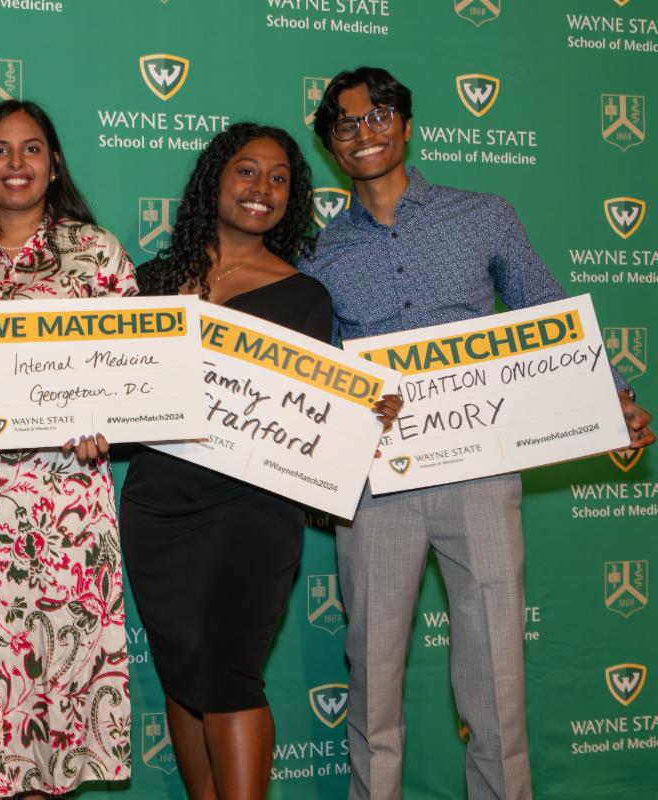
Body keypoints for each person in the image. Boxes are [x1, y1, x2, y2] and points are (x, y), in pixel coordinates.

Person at [302, 66, 656, 800]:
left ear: (404, 123)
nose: (363, 132)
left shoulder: (483, 214)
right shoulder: (320, 254)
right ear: (332, 146)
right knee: (372, 686)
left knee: (497, 678)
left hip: (481, 473)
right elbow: (319, 379)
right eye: (345, 124)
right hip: (377, 488)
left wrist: (611, 401)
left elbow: (548, 311)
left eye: (377, 117)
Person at [118, 124, 399, 800]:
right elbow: (122, 392)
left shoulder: (305, 296)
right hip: (160, 506)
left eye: (278, 179)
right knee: (185, 669)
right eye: (246, 171)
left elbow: (312, 414)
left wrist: (364, 415)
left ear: (293, 198)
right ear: (214, 179)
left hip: (252, 509)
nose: (261, 189)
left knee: (229, 671)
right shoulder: (152, 280)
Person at [0, 99, 134, 798]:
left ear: (55, 162)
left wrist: (111, 423)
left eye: (31, 148)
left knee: (49, 679)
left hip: (64, 499)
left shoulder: (96, 252)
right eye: (0, 151)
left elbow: (132, 367)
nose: (17, 164)